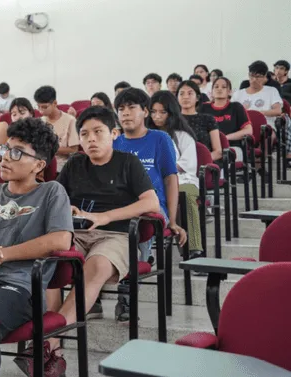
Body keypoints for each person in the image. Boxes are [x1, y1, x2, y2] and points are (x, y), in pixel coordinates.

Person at [32, 106, 161, 375]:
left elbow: (151, 203)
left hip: (116, 235)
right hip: (78, 232)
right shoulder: (75, 164)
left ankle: (49, 339)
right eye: (84, 133)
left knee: (97, 266)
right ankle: (52, 348)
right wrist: (68, 210)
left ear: (113, 134)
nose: (91, 139)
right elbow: (58, 199)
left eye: (98, 132)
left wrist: (105, 216)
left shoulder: (128, 163)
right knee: (48, 260)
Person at [0, 117, 72, 376]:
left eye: (17, 152)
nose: (5, 157)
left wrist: (2, 255)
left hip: (21, 289)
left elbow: (60, 240)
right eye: (6, 149)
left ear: (39, 165)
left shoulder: (51, 192)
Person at [112, 88, 186, 321]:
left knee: (138, 225)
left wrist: (172, 220)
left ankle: (126, 295)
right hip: (119, 207)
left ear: (145, 111)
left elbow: (170, 179)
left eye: (132, 107)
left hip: (151, 208)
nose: (125, 113)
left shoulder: (159, 139)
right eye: (121, 109)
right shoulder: (114, 143)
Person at [148, 91, 203, 256]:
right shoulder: (145, 136)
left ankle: (193, 249)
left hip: (184, 181)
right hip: (154, 183)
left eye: (162, 112)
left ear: (171, 113)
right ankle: (144, 254)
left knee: (183, 195)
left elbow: (185, 165)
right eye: (153, 112)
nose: (157, 116)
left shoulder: (183, 136)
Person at [200, 77, 252, 162]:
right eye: (216, 87)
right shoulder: (203, 108)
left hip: (231, 147)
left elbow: (248, 130)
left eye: (223, 87)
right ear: (211, 91)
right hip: (208, 148)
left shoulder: (236, 107)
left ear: (229, 91)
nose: (219, 89)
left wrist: (225, 138)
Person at [34, 85, 79, 171]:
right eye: (38, 106)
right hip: (40, 162)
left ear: (54, 103)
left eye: (44, 107)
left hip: (61, 164)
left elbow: (74, 149)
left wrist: (50, 149)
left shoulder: (70, 120)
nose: (40, 111)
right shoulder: (40, 121)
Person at [177, 80, 222, 161]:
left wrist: (197, 162)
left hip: (204, 165)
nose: (185, 97)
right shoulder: (172, 119)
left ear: (197, 98)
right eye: (181, 93)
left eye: (190, 93)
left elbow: (218, 152)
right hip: (177, 166)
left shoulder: (208, 119)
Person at [232, 60, 283, 128]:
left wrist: (256, 114)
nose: (254, 79)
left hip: (264, 127)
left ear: (265, 76)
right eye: (252, 76)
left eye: (258, 76)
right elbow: (231, 113)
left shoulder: (271, 91)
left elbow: (277, 111)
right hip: (243, 127)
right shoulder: (238, 94)